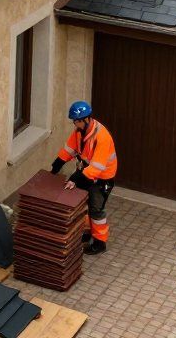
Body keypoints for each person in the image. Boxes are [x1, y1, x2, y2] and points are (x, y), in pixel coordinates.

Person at [51, 100, 117, 255]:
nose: (75, 124)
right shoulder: (79, 131)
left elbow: (96, 168)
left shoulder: (102, 137)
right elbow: (70, 149)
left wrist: (75, 179)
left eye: (78, 121)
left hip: (102, 178)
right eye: (74, 121)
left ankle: (100, 242)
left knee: (96, 210)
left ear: (87, 119)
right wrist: (57, 164)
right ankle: (87, 233)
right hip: (87, 173)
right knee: (82, 205)